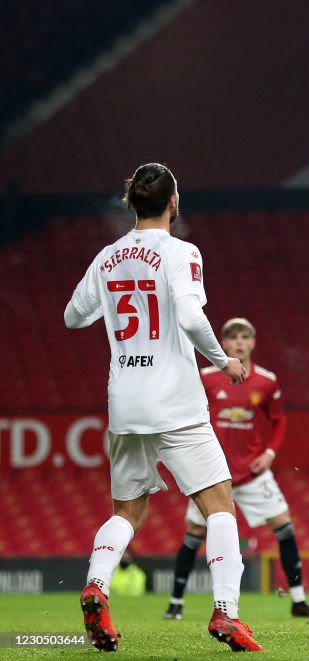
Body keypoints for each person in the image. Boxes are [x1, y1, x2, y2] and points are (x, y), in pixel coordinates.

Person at [65, 163, 261, 652]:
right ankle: (226, 612)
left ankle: (96, 585)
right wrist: (224, 361)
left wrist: (113, 302)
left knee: (128, 511)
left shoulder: (108, 257)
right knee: (218, 504)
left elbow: (73, 317)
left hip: (125, 403)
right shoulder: (181, 252)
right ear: (174, 202)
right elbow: (191, 316)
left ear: (132, 202)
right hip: (175, 400)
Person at [165, 318, 309, 620]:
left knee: (284, 526)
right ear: (223, 344)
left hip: (252, 474)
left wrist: (269, 453)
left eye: (244, 337)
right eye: (233, 337)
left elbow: (279, 420)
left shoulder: (266, 381)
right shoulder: (206, 377)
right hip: (212, 474)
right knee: (194, 533)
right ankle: (175, 603)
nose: (238, 342)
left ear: (252, 343)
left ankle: (299, 601)